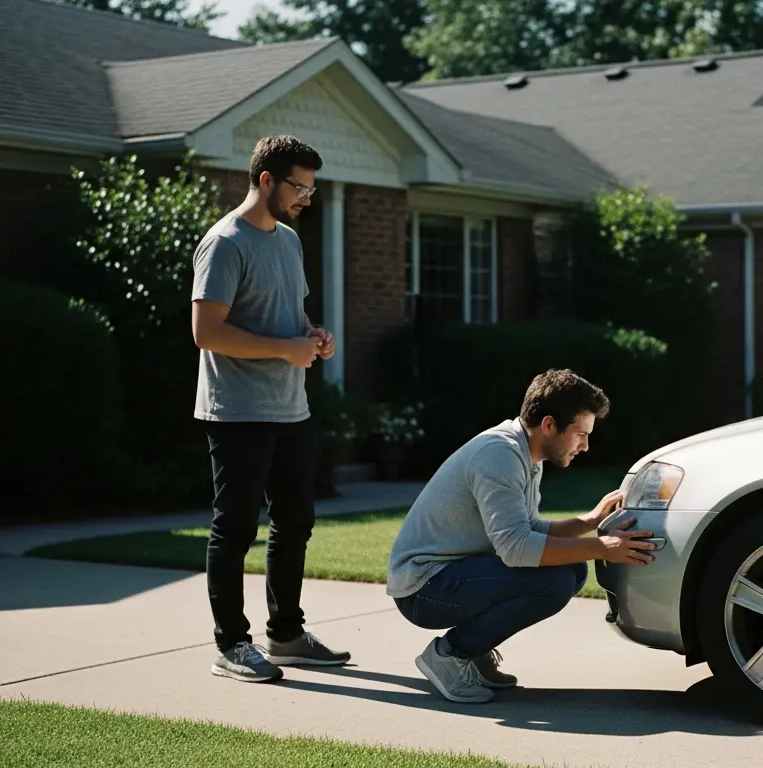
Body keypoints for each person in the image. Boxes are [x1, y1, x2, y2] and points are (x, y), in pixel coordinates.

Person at [387, 369, 659, 703]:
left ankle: (473, 648)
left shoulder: (525, 453)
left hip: (453, 575)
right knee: (555, 581)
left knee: (571, 571)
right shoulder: (498, 455)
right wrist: (602, 547)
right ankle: (450, 655)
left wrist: (590, 521)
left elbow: (526, 531)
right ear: (548, 425)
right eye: (580, 434)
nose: (586, 446)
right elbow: (517, 549)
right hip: (423, 588)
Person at [190, 134, 350, 683]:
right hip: (235, 410)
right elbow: (206, 331)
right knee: (234, 527)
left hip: (290, 407)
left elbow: (289, 315)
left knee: (294, 522)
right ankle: (231, 645)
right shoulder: (225, 243)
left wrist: (312, 336)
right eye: (299, 187)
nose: (307, 198)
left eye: (312, 187)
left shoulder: (286, 240)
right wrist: (286, 348)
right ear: (265, 180)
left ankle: (285, 634)